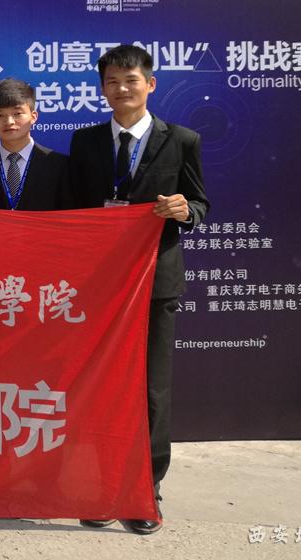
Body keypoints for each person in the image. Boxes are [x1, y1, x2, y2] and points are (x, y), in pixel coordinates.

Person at [67, 44, 209, 535]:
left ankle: (145, 488)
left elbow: (200, 203)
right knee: (101, 386)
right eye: (112, 81)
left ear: (150, 84)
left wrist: (184, 210)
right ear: (102, 89)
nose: (121, 88)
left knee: (151, 389)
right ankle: (103, 484)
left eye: (130, 80)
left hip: (155, 282)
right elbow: (72, 210)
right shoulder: (85, 142)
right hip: (99, 286)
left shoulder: (182, 140)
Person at [0, 78, 69, 214]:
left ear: (33, 116)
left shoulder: (60, 166)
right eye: (0, 115)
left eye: (17, 113)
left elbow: (70, 217)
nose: (9, 122)